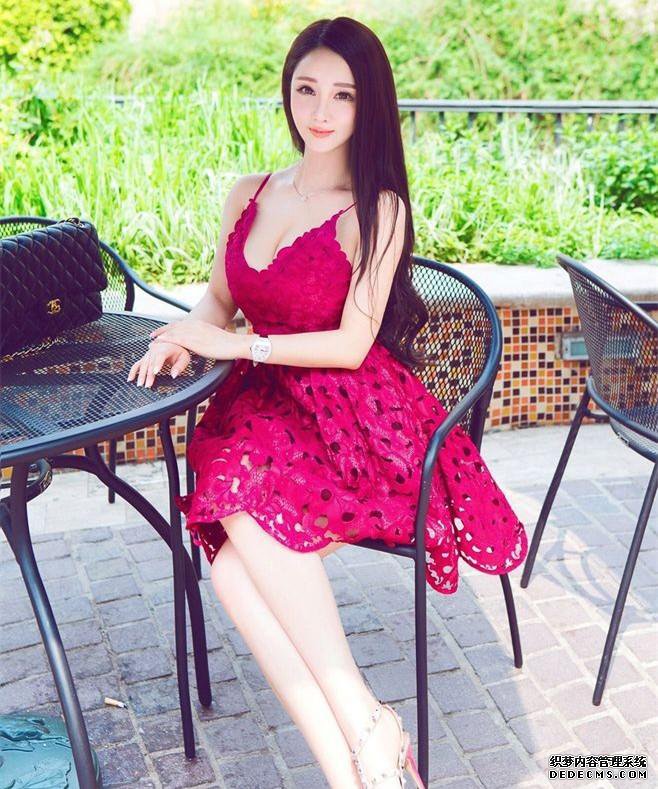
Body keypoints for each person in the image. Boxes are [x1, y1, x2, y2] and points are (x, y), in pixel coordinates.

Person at [127, 16, 527, 788]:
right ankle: (362, 749)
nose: (319, 110)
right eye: (306, 88)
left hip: (353, 419)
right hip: (261, 411)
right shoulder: (250, 192)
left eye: (342, 95)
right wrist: (186, 336)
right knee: (234, 559)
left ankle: (363, 733)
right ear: (287, 90)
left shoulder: (377, 208)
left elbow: (349, 344)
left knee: (236, 533)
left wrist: (236, 347)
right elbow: (219, 300)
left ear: (367, 104)